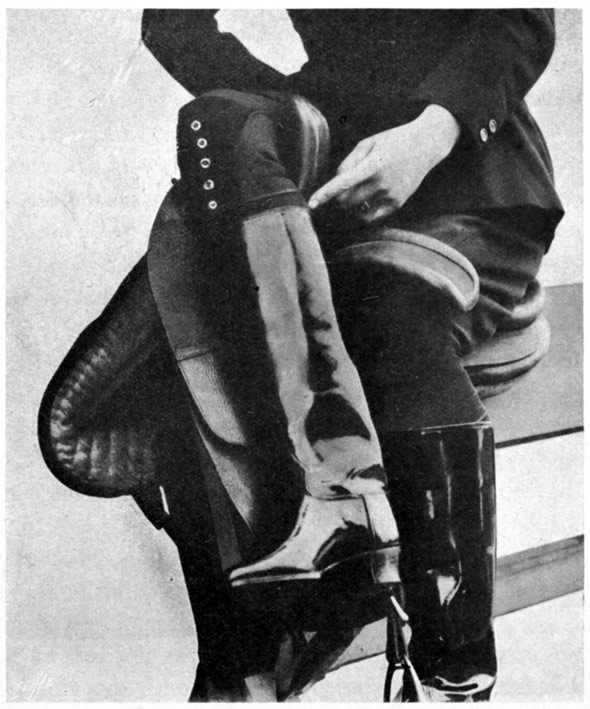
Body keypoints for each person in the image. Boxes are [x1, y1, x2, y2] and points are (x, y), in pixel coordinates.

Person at [41, 10, 563, 702]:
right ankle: (264, 623)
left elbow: (519, 18)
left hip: (465, 176)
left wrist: (429, 134)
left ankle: (456, 667)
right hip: (334, 181)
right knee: (220, 142)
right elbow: (172, 21)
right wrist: (305, 116)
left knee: (386, 311)